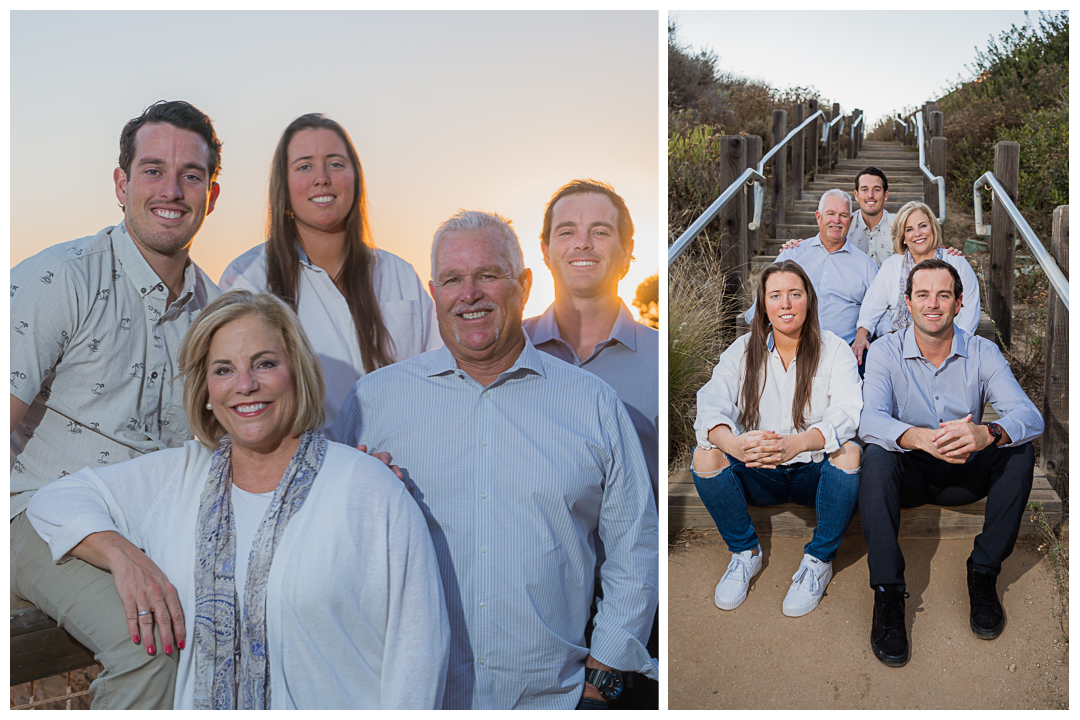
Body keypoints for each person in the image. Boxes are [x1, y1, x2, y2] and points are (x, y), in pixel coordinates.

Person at [26, 291, 450, 709]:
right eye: (224, 370)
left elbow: (418, 647)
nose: (245, 385)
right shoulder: (180, 476)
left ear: (296, 372)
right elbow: (55, 501)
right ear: (206, 391)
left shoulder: (367, 487)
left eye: (265, 364)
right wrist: (122, 556)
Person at [331, 210, 658, 710]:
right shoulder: (372, 403)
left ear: (523, 285)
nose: (469, 294)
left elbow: (634, 546)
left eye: (487, 275)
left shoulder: (592, 403)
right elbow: (335, 545)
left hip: (554, 700)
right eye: (452, 280)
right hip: (411, 699)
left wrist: (604, 677)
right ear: (433, 291)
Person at [10, 100, 224, 708]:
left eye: (191, 175)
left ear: (211, 195)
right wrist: (115, 549)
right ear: (121, 183)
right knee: (149, 649)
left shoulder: (215, 314)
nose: (172, 189)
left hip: (156, 525)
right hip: (40, 517)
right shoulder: (60, 278)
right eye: (153, 169)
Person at [858, 258, 1043, 667]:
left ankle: (983, 574)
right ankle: (888, 594)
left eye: (944, 295)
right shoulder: (885, 351)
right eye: (922, 295)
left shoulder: (982, 351)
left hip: (964, 469)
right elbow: (869, 419)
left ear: (959, 303)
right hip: (909, 471)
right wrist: (916, 437)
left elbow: (1029, 416)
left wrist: (986, 433)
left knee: (1019, 449)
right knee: (875, 457)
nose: (933, 304)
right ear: (907, 303)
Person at [523, 179, 659, 708]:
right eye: (567, 231)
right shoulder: (506, 356)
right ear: (546, 251)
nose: (582, 243)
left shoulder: (661, 357)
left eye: (600, 232)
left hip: (635, 604)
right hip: (534, 606)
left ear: (626, 255)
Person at [219, 113, 440, 429]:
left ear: (356, 178)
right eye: (304, 166)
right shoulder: (247, 281)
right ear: (283, 185)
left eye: (335, 164)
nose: (321, 177)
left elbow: (437, 378)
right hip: (305, 472)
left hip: (402, 470)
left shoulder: (400, 275)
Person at [694, 260, 863, 617]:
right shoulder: (742, 350)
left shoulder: (834, 349)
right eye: (775, 295)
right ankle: (745, 552)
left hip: (811, 474)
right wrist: (734, 445)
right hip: (758, 471)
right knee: (706, 455)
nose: (785, 303)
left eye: (794, 294)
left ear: (809, 301)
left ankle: (818, 560)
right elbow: (710, 403)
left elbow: (849, 411)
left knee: (849, 453)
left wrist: (797, 443)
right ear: (763, 305)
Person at [852, 201, 981, 366]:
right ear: (903, 237)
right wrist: (862, 334)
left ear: (933, 228)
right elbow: (873, 304)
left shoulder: (956, 262)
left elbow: (970, 309)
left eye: (923, 226)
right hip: (900, 346)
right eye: (909, 229)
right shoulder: (892, 265)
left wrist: (953, 345)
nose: (917, 233)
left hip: (947, 346)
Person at [746, 189, 878, 346]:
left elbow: (877, 308)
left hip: (843, 348)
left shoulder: (865, 264)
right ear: (818, 217)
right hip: (790, 345)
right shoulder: (793, 253)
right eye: (830, 213)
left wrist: (863, 336)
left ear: (850, 221)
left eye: (843, 215)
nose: (836, 220)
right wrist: (757, 338)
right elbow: (764, 299)